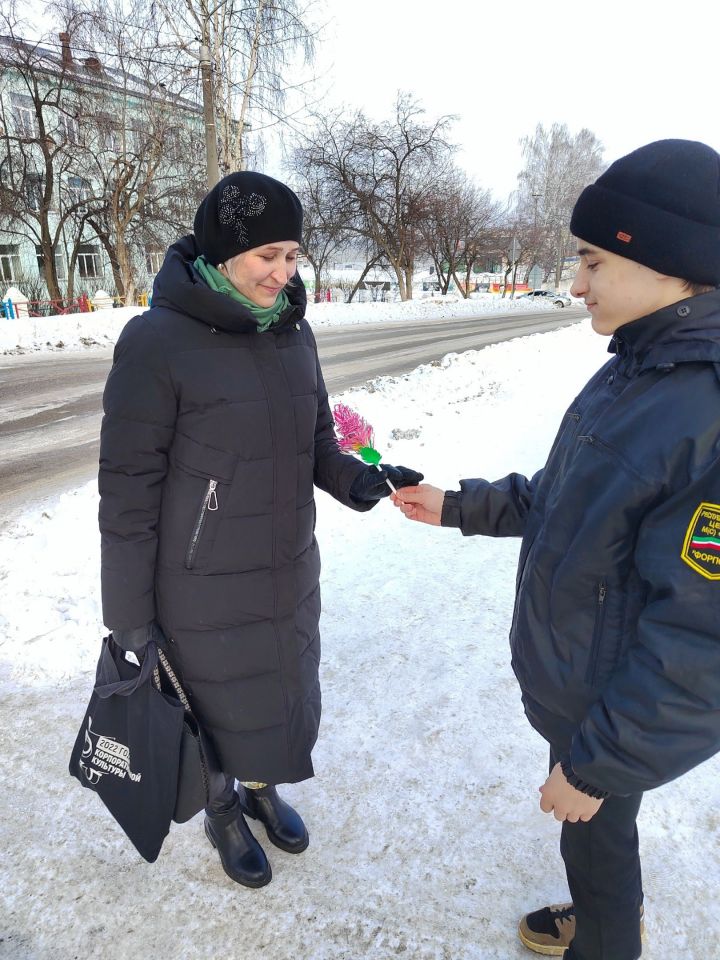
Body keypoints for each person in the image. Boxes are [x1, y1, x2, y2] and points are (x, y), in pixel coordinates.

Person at [392, 140, 720, 959]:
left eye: (592, 261)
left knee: (595, 823)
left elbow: (702, 639)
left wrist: (600, 763)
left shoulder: (704, 411)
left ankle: (606, 943)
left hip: (612, 712)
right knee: (596, 840)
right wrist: (457, 507)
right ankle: (608, 918)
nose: (575, 284)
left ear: (674, 266)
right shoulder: (639, 367)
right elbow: (562, 497)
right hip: (585, 688)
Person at [98, 170, 422, 888]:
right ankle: (221, 810)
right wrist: (128, 620)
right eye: (267, 255)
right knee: (206, 711)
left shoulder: (293, 334)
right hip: (198, 588)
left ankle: (262, 789)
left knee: (275, 695)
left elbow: (315, 446)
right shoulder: (157, 342)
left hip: (284, 568)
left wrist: (359, 480)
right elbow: (125, 498)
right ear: (223, 252)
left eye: (293, 255)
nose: (283, 273)